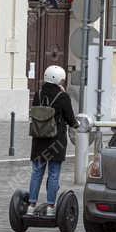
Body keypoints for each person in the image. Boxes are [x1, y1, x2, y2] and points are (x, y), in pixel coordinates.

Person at [28, 66, 79, 213]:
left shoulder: (38, 94)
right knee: (54, 173)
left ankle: (31, 206)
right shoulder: (62, 96)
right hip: (56, 142)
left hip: (39, 139)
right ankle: (51, 206)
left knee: (37, 172)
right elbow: (70, 119)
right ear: (58, 79)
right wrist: (76, 124)